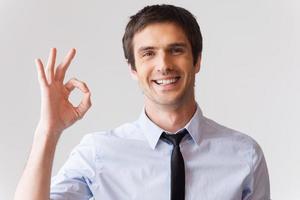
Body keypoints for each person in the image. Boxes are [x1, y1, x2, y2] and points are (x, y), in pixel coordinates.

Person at [14, 4, 270, 200]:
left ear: (197, 60)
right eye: (148, 53)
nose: (164, 65)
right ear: (133, 69)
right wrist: (48, 130)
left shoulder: (245, 156)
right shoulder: (98, 153)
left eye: (176, 50)